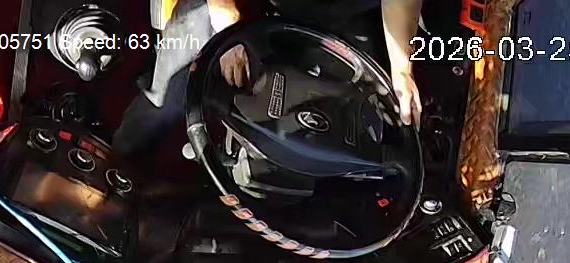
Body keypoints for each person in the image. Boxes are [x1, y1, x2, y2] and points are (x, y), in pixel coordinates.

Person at [113, 0, 425, 160]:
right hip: (231, 7)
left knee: (364, 119)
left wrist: (402, 70)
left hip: (337, 13)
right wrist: (228, 30)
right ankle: (118, 157)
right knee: (170, 98)